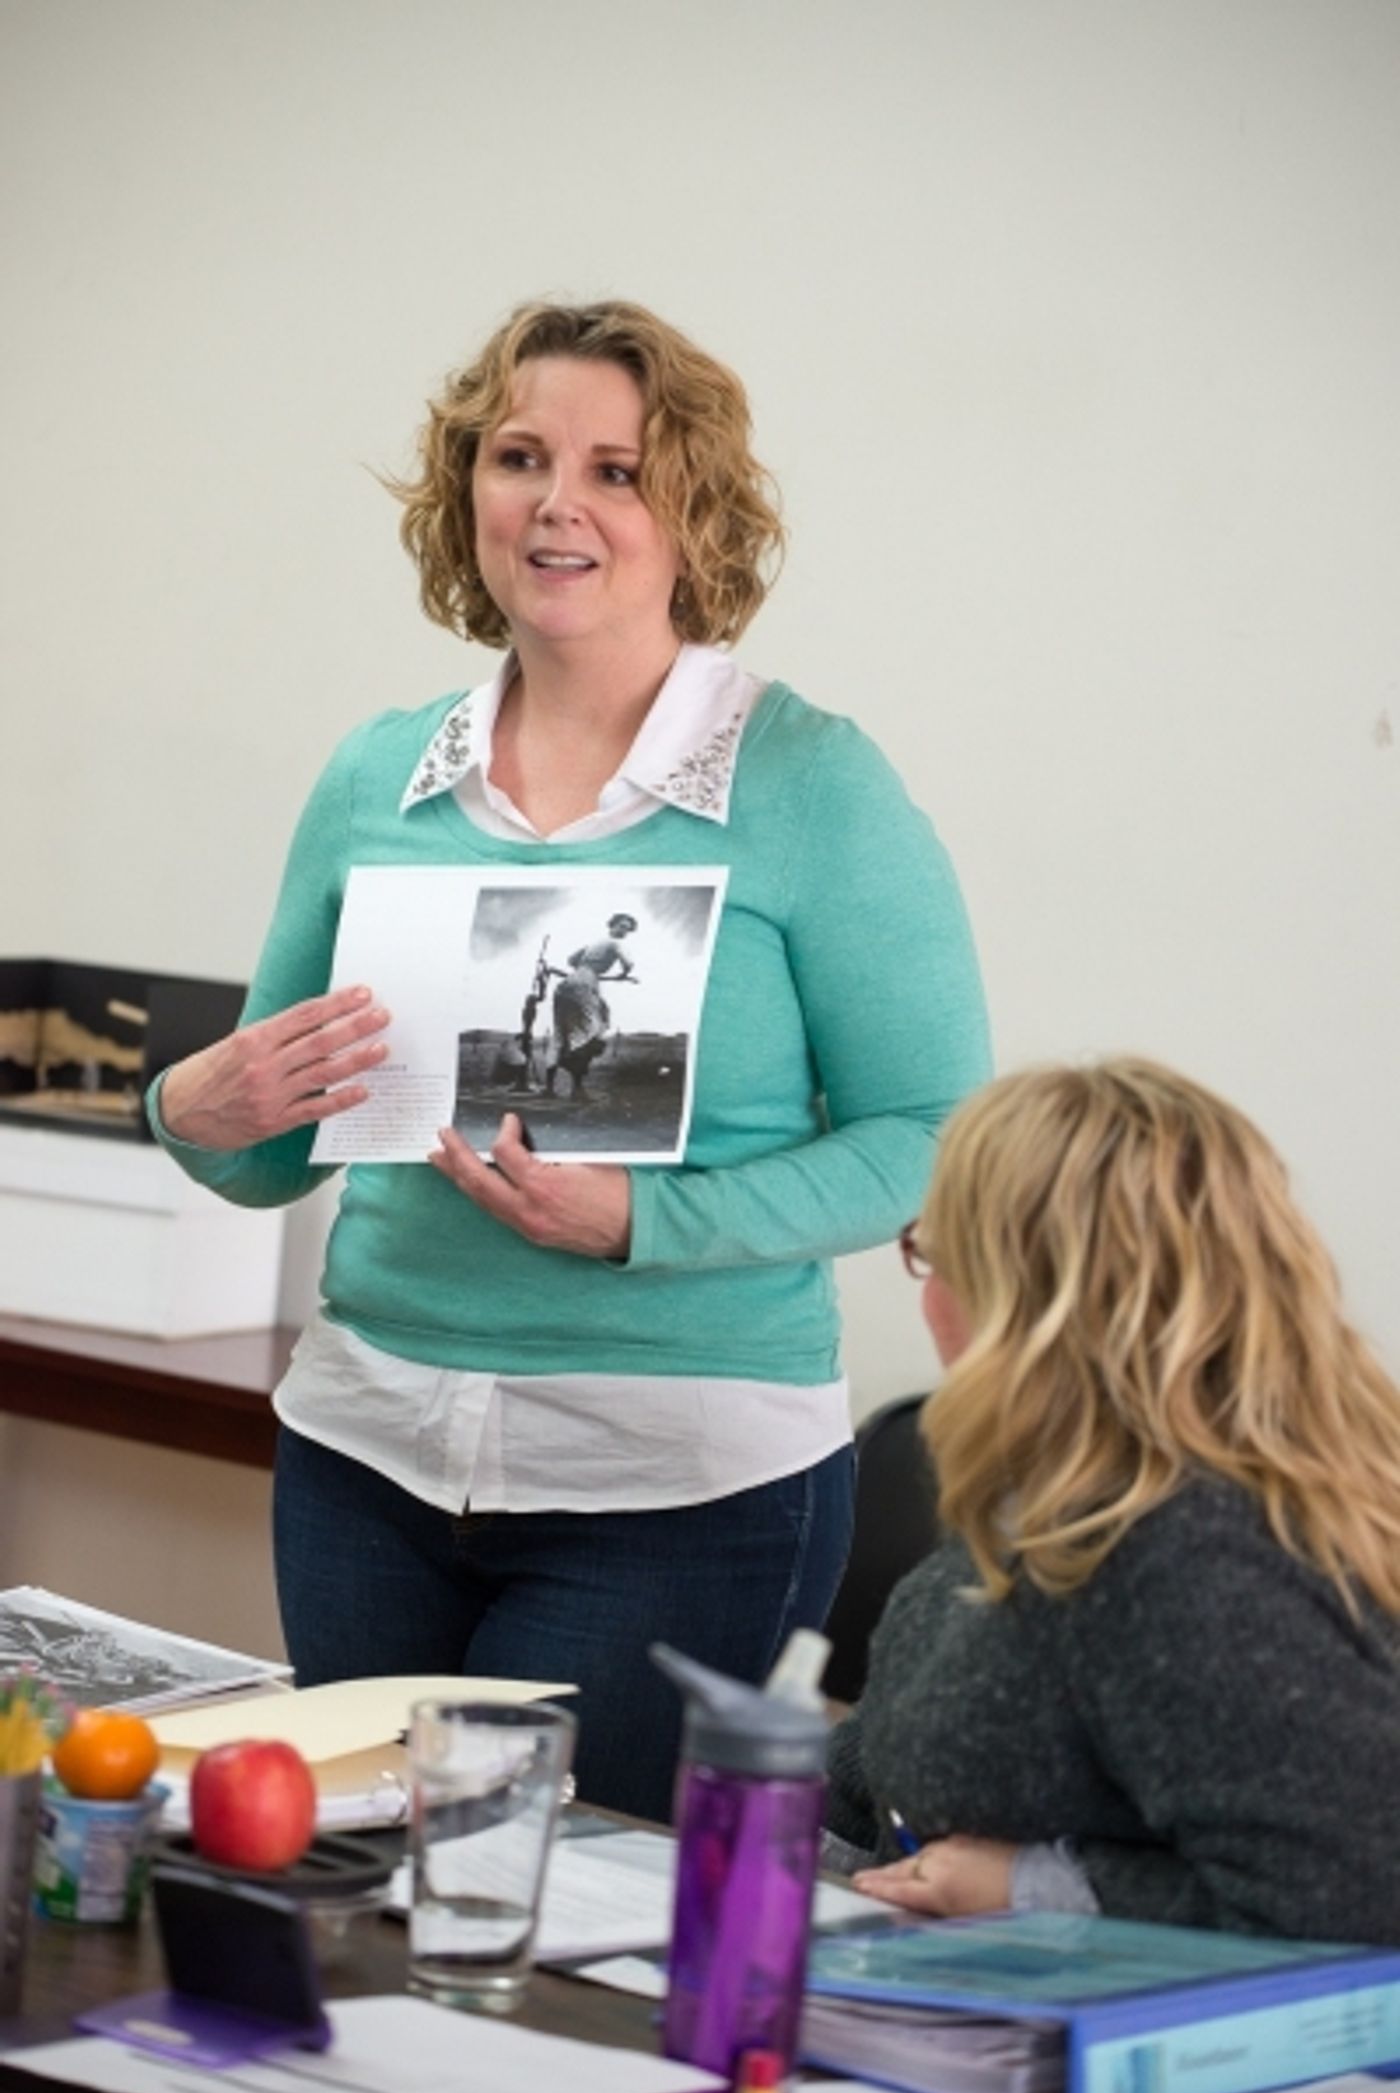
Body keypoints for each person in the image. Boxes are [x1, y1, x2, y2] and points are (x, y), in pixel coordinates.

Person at [148, 299, 991, 1819]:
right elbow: (272, 1143)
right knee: (374, 1911)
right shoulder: (375, 774)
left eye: (617, 469)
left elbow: (934, 1133)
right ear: (464, 490)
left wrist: (644, 1223)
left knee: (558, 1948)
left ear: (692, 513)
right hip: (365, 1456)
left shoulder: (816, 784)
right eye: (519, 456)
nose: (558, 503)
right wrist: (188, 1106)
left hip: (680, 1490)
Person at [826, 1058, 1400, 1942]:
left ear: (1033, 1295)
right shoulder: (1061, 1493)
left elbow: (1353, 1895)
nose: (930, 1298)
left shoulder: (1192, 1550)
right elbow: (901, 1756)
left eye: (932, 1257)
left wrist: (1033, 1886)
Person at [545, 912, 638, 1098]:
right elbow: (629, 963)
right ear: (611, 925)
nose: (624, 932)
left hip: (567, 985)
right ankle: (577, 1089)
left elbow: (571, 960)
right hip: (585, 985)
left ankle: (549, 1088)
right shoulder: (614, 943)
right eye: (621, 926)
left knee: (561, 1033)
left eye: (627, 929)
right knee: (590, 1032)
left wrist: (590, 970)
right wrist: (624, 973)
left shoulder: (593, 944)